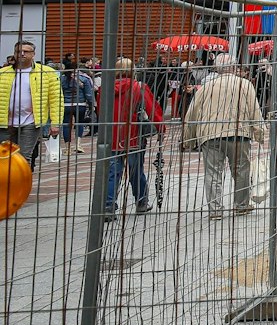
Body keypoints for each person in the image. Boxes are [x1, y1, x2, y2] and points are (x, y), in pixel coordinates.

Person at [182, 55, 265, 220]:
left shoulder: (206, 87)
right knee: (242, 170)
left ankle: (215, 210)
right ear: (234, 67)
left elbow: (192, 113)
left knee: (212, 172)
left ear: (216, 68)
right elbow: (254, 109)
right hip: (239, 133)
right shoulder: (245, 84)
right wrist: (259, 132)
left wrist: (188, 139)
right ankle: (241, 205)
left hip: (211, 133)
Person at [102, 58, 162, 218]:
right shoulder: (139, 87)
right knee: (136, 171)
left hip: (111, 136)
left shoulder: (105, 89)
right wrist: (160, 127)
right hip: (133, 135)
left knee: (112, 172)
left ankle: (108, 206)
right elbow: (152, 108)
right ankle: (141, 201)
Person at [0, 41, 63, 169]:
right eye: (18, 51)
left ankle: (21, 187)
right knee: (4, 157)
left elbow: (56, 99)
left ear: (33, 54)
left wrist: (56, 123)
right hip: (5, 122)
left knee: (23, 157)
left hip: (31, 122)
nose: (22, 54)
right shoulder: (3, 73)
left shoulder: (47, 73)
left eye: (26, 51)